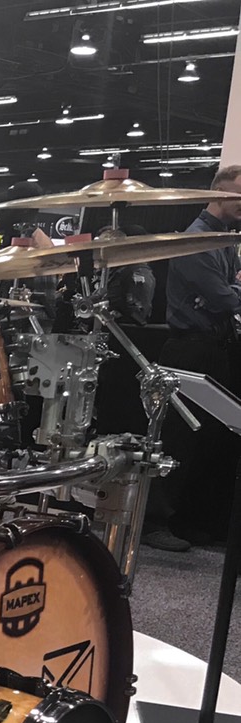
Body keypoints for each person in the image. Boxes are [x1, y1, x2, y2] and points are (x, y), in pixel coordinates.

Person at [143, 165, 241, 553]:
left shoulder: (222, 241)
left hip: (214, 348)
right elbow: (225, 298)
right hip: (189, 350)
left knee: (209, 438)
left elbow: (226, 293)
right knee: (178, 437)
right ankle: (154, 522)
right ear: (218, 193)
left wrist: (229, 291)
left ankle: (184, 519)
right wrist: (231, 291)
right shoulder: (195, 241)